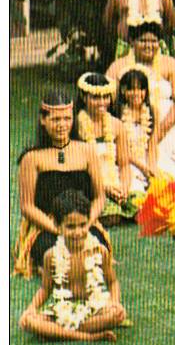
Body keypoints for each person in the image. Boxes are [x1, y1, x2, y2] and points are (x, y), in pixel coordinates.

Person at [13, 91, 111, 278]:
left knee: (97, 256)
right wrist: (59, 229)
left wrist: (84, 225)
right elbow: (27, 207)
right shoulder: (32, 159)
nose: (62, 125)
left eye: (67, 119)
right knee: (56, 261)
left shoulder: (87, 151)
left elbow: (100, 197)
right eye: (56, 119)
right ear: (43, 120)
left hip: (83, 222)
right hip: (48, 225)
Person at [19, 189, 126, 342]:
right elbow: (45, 289)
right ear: (57, 225)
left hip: (94, 310)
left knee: (118, 314)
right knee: (30, 322)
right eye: (70, 227)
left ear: (89, 221)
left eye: (82, 225)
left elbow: (113, 282)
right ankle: (88, 336)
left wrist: (114, 302)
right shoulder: (51, 255)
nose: (77, 232)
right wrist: (31, 309)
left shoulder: (99, 251)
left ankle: (59, 333)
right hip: (63, 311)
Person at [106, 19, 175, 170]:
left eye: (153, 41)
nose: (149, 46)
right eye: (143, 41)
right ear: (132, 41)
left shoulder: (170, 64)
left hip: (167, 122)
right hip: (131, 121)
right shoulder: (119, 66)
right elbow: (107, 98)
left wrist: (159, 131)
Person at [75, 72, 135, 225]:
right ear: (84, 97)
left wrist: (124, 187)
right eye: (96, 98)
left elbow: (124, 164)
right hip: (87, 182)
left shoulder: (116, 125)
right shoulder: (76, 126)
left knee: (140, 206)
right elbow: (77, 169)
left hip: (114, 179)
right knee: (110, 216)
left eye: (105, 97)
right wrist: (104, 188)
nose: (102, 102)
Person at [114, 64, 175, 193]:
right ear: (122, 90)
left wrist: (151, 165)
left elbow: (152, 144)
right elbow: (120, 150)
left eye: (141, 89)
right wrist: (142, 167)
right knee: (133, 183)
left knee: (166, 174)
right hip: (126, 159)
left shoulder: (152, 111)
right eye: (131, 89)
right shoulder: (117, 113)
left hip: (146, 155)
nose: (136, 94)